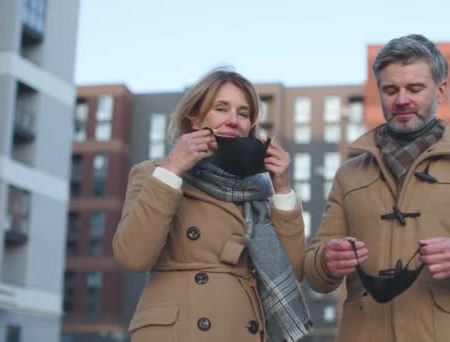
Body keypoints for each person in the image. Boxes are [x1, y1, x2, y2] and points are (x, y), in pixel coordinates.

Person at [303, 34, 450, 342]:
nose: (402, 100)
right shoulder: (349, 174)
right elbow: (314, 272)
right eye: (390, 90)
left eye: (415, 88)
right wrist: (326, 261)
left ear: (441, 89)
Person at [113, 67, 312, 342]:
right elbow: (133, 256)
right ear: (195, 119)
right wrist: (172, 170)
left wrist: (282, 190)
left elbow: (294, 271)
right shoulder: (155, 173)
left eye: (243, 114)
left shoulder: (258, 191)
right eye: (221, 108)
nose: (233, 120)